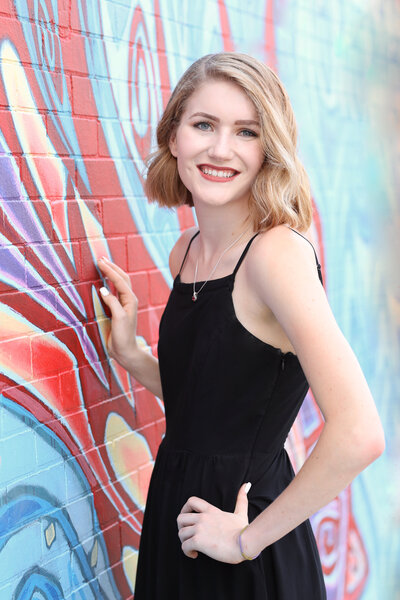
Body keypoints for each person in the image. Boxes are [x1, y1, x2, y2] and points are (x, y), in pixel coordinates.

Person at [97, 52, 385, 599]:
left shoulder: (275, 255)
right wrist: (132, 355)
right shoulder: (187, 250)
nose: (220, 149)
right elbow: (218, 404)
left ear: (267, 152)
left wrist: (248, 539)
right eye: (204, 124)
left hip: (241, 546)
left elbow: (360, 433)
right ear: (174, 136)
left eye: (246, 132)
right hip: (178, 521)